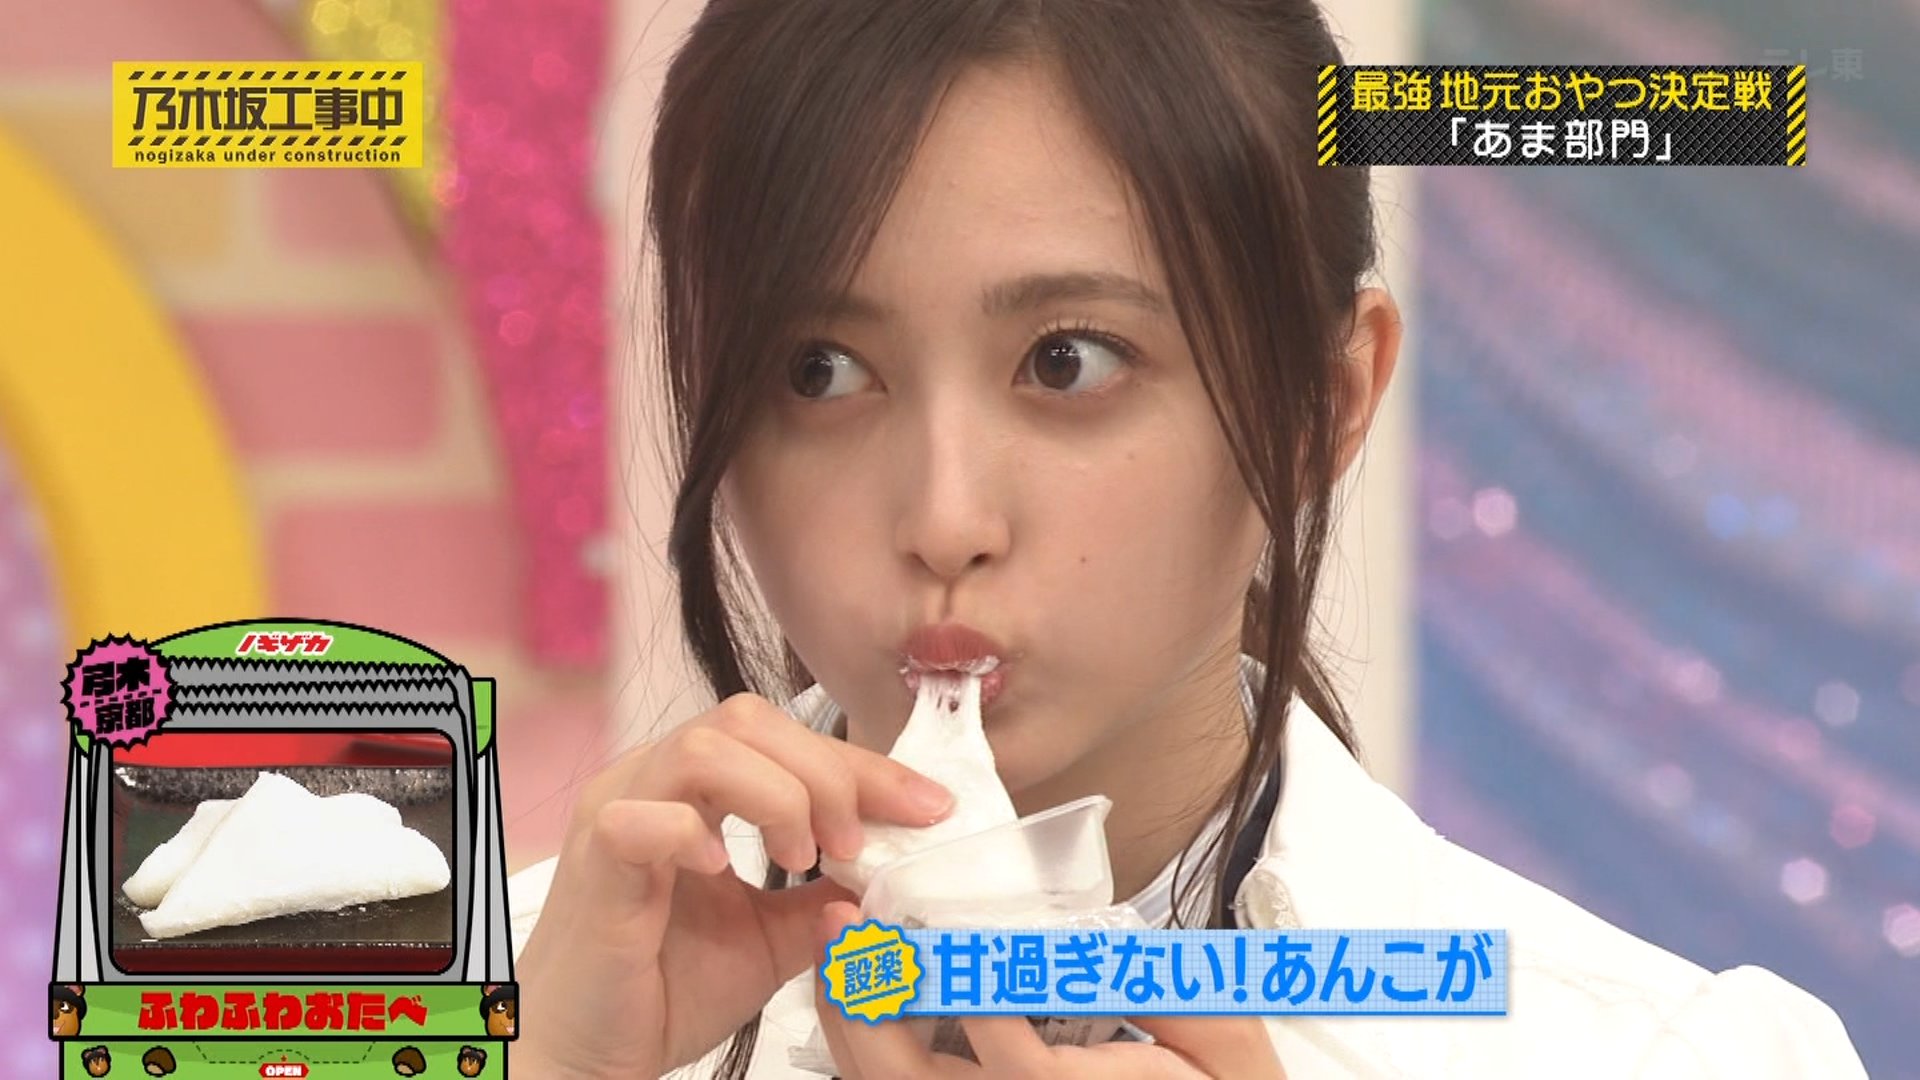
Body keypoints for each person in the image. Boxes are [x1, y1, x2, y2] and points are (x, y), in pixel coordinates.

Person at [505, 1, 1870, 1076]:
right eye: (819, 372)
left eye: (1068, 361)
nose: (944, 521)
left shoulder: (1665, 1057)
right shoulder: (487, 1005)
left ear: (1323, 404)